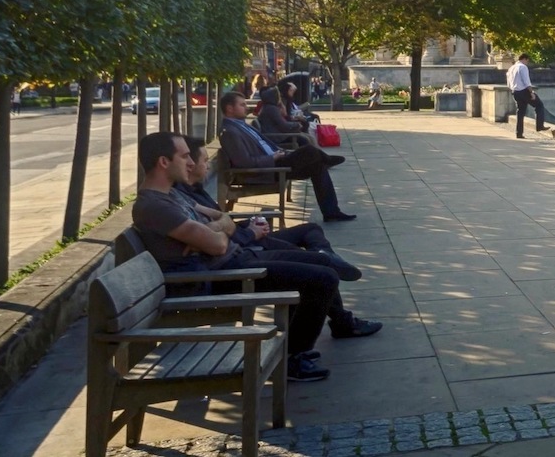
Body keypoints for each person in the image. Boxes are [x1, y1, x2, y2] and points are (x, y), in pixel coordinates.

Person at [130, 132, 380, 383]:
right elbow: (217, 245)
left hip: (235, 260)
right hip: (218, 276)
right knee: (323, 279)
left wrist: (211, 231)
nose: (192, 163)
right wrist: (215, 232)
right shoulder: (154, 206)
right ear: (164, 162)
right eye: (184, 156)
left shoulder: (172, 195)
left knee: (321, 263)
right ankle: (293, 357)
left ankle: (326, 327)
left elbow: (221, 217)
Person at [171, 135, 362, 280]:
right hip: (242, 249)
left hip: (241, 242)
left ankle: (327, 255)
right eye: (202, 160)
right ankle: (327, 261)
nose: (206, 165)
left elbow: (221, 221)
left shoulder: (191, 191)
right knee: (318, 267)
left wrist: (244, 225)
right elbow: (216, 236)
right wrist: (249, 232)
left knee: (312, 232)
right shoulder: (176, 199)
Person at [219, 90, 355, 221]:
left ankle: (332, 212)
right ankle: (328, 159)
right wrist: (272, 157)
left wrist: (280, 152)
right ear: (230, 108)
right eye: (242, 105)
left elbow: (264, 144)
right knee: (309, 151)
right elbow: (244, 162)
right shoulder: (230, 131)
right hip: (266, 171)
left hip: (275, 161)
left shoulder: (241, 125)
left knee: (317, 165)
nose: (246, 107)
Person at [508, 53, 551, 137]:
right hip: (524, 91)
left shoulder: (511, 68)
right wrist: (531, 93)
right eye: (527, 61)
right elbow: (526, 81)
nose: (527, 63)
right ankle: (539, 126)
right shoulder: (523, 67)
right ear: (525, 59)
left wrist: (513, 90)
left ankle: (519, 133)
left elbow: (509, 82)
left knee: (520, 112)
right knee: (539, 105)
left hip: (515, 91)